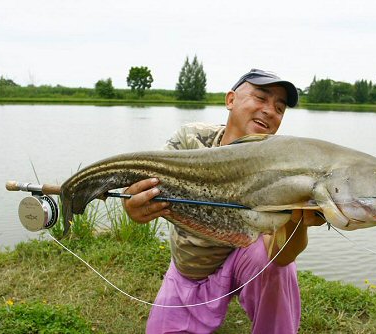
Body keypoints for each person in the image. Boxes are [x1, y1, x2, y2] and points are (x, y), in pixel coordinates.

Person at [123, 69, 325, 333]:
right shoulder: (190, 139)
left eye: (279, 107)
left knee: (272, 264)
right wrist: (133, 206)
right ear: (230, 100)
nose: (270, 111)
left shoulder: (285, 167)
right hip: (192, 267)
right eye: (261, 98)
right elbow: (141, 190)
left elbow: (281, 256)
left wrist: (302, 225)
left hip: (246, 260)